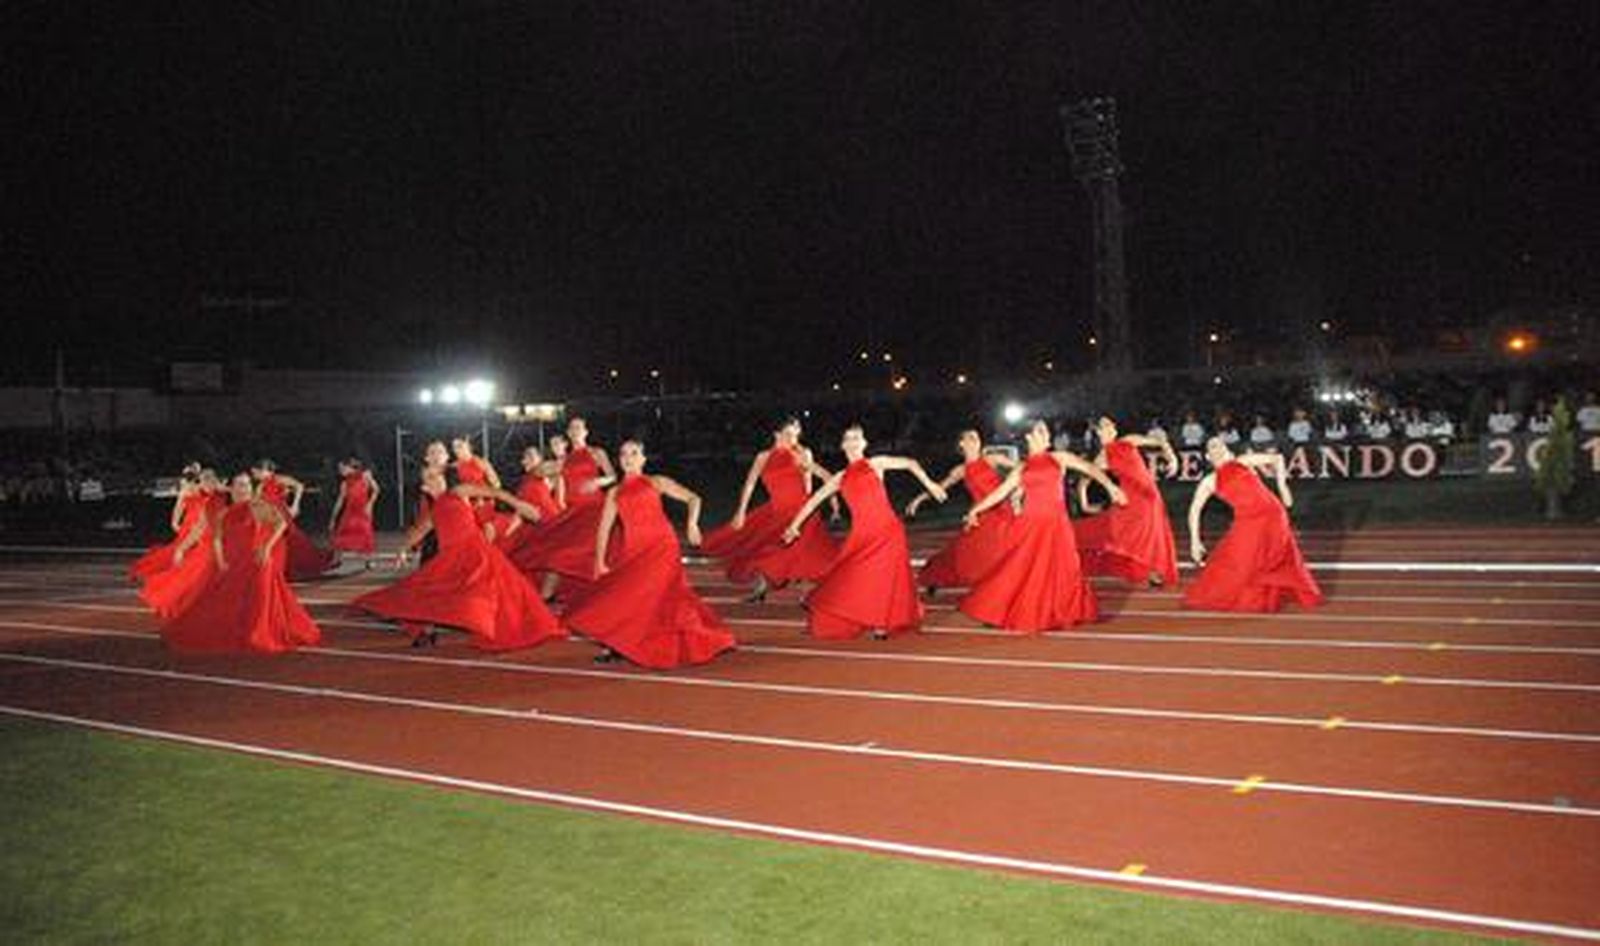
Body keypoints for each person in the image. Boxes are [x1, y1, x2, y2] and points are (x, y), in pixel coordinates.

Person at [563, 441, 736, 668]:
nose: (628, 458)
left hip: (662, 546)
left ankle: (641, 643)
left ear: (643, 459)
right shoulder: (614, 492)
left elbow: (694, 499)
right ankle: (619, 643)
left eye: (634, 454)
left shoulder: (656, 482)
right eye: (624, 454)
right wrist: (599, 561)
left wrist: (693, 524)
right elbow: (604, 528)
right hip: (633, 549)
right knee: (625, 595)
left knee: (655, 595)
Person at [354, 466, 563, 651]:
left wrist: (519, 504)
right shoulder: (434, 511)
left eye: (437, 475)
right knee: (428, 589)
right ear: (425, 488)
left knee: (508, 590)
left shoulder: (458, 492)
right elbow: (418, 532)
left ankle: (508, 628)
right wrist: (402, 549)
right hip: (451, 558)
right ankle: (426, 631)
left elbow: (493, 491)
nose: (435, 479)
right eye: (429, 478)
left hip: (476, 552)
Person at [958, 421, 1126, 632]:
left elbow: (1089, 468)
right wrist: (976, 510)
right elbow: (1000, 493)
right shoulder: (1022, 467)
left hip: (1057, 523)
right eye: (1041, 431)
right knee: (1019, 569)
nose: (1047, 435)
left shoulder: (1059, 458)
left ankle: (1066, 610)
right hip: (1030, 524)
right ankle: (997, 610)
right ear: (1029, 437)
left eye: (1046, 431)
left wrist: (1111, 487)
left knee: (1066, 567)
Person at [781, 425, 947, 640]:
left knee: (885, 576)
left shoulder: (875, 464)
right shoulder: (839, 478)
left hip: (887, 530)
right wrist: (794, 525)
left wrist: (930, 484)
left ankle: (881, 624)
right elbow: (814, 501)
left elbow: (910, 463)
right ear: (842, 445)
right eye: (848, 438)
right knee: (848, 573)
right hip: (861, 534)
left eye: (857, 438)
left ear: (864, 443)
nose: (852, 442)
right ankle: (839, 610)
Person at [156, 473, 322, 654]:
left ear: (250, 488)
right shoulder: (224, 512)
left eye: (245, 485)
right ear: (232, 489)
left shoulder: (256, 506)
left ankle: (256, 633)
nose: (242, 489)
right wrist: (220, 560)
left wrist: (267, 546)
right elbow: (217, 539)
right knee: (228, 601)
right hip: (233, 562)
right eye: (238, 485)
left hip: (255, 561)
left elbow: (280, 523)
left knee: (257, 601)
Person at [701, 416, 837, 602]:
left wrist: (825, 501)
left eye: (796, 435)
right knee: (761, 546)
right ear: (776, 434)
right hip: (776, 510)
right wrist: (740, 511)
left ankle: (773, 586)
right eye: (789, 435)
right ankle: (768, 583)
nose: (793, 440)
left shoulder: (802, 453)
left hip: (799, 510)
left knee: (796, 552)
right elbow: (750, 484)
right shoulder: (763, 457)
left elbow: (814, 480)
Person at [1183, 437, 1322, 612]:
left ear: (1228, 451)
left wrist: (1282, 486)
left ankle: (1266, 593)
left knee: (1270, 557)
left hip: (1272, 514)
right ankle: (1251, 597)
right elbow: (1194, 510)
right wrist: (1195, 542)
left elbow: (1277, 459)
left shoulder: (1242, 462)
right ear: (1208, 457)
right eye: (1212, 446)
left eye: (1220, 445)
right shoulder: (1209, 481)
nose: (1217, 448)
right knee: (1231, 559)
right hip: (1247, 520)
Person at [515, 416, 616, 600]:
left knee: (574, 554)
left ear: (586, 432)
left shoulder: (596, 452)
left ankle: (548, 597)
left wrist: (598, 481)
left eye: (579, 427)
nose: (575, 431)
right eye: (572, 428)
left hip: (595, 510)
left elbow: (613, 476)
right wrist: (543, 468)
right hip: (574, 512)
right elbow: (540, 474)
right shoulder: (564, 461)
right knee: (555, 553)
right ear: (568, 433)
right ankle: (545, 597)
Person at [1073, 416, 1180, 588]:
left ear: (1115, 430)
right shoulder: (1102, 457)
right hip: (1128, 497)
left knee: (1152, 531)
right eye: (1102, 426)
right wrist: (1084, 503)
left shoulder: (1128, 440)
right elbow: (1085, 480)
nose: (1107, 429)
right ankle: (1071, 546)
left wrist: (1172, 458)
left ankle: (1153, 570)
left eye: (1110, 425)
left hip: (1148, 493)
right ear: (1099, 433)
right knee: (1118, 532)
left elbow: (1159, 441)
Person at [907, 429, 1016, 594]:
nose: (975, 441)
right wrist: (918, 500)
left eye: (977, 438)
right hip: (981, 515)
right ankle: (934, 576)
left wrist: (1020, 487)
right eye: (970, 438)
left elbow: (1022, 468)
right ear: (962, 444)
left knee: (1009, 546)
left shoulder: (992, 459)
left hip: (1003, 509)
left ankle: (1007, 584)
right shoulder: (961, 470)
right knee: (961, 552)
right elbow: (939, 487)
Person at [135, 468, 227, 619]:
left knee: (200, 573)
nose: (207, 483)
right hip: (202, 531)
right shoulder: (198, 493)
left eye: (210, 480)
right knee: (197, 573)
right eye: (204, 480)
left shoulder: (220, 494)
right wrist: (176, 524)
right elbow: (187, 514)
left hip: (215, 536)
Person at [251, 459, 338, 579]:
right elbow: (256, 503)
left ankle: (305, 564)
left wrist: (295, 504)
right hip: (269, 517)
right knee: (280, 541)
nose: (255, 475)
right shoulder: (260, 486)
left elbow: (299, 486)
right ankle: (283, 566)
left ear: (265, 470)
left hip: (282, 514)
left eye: (256, 472)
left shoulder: (279, 479)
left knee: (292, 539)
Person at [130, 464, 217, 582]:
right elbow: (179, 507)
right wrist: (174, 522)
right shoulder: (198, 488)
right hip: (195, 521)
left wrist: (175, 522)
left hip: (194, 520)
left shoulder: (189, 488)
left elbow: (178, 508)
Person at [327, 458, 380, 555]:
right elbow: (340, 502)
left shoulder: (365, 475)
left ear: (348, 467)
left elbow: (376, 490)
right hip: (350, 514)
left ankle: (367, 561)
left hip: (363, 512)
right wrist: (333, 519)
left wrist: (370, 504)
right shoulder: (344, 483)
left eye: (342, 468)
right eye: (339, 469)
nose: (340, 471)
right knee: (342, 542)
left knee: (365, 540)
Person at [451, 435, 503, 530]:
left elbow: (497, 484)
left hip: (484, 503)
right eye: (454, 447)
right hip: (466, 504)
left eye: (459, 446)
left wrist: (484, 497)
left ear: (468, 445)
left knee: (487, 529)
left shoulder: (480, 462)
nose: (456, 450)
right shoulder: (454, 466)